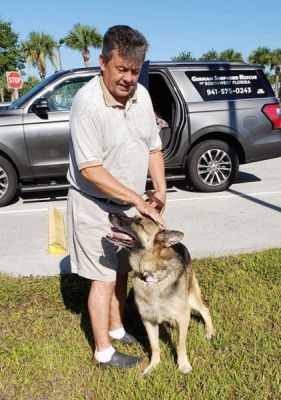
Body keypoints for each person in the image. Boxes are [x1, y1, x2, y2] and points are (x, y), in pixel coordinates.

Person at [67, 25, 167, 369]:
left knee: (122, 271)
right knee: (103, 278)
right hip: (94, 204)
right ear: (102, 62)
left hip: (128, 203)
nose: (128, 78)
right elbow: (90, 169)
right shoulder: (87, 104)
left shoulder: (143, 96)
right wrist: (138, 201)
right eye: (121, 69)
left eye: (135, 70)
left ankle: (117, 326)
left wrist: (160, 190)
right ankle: (103, 352)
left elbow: (153, 145)